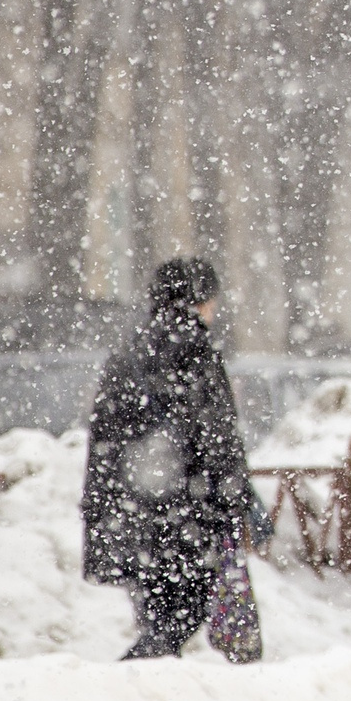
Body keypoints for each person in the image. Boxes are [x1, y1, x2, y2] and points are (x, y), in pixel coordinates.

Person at [81, 257, 268, 660]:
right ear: (198, 300)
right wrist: (234, 501)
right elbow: (217, 437)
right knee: (181, 616)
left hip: (134, 514)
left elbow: (104, 441)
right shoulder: (196, 353)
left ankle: (147, 682)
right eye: (211, 300)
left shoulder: (129, 352)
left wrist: (104, 508)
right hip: (187, 515)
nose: (214, 310)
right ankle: (128, 683)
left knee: (158, 615)